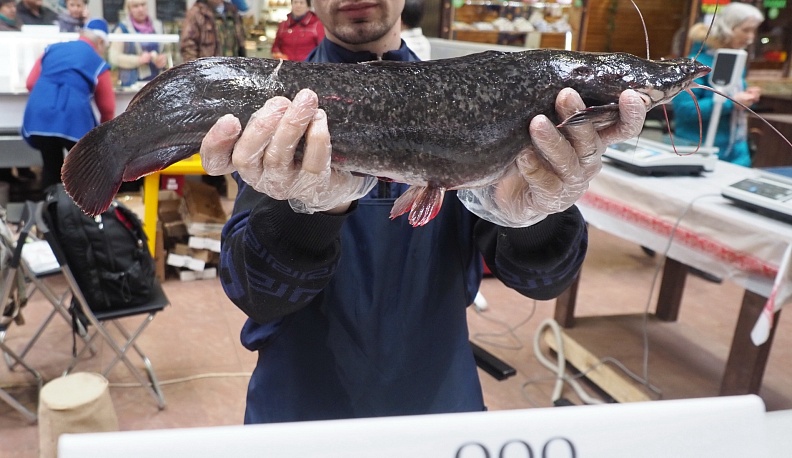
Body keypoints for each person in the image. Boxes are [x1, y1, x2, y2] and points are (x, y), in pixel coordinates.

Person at [199, 0, 646, 424]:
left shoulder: (481, 92)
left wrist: (537, 212)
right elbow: (257, 296)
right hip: (303, 405)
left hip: (439, 401)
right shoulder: (281, 109)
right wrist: (308, 212)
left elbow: (544, 281)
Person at [21, 18, 115, 190]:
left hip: (38, 115)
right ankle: (79, 213)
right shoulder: (97, 62)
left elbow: (30, 83)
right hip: (73, 117)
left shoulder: (52, 49)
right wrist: (103, 138)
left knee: (51, 167)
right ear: (100, 42)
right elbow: (107, 108)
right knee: (82, 170)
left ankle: (51, 211)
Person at [672, 2, 764, 167]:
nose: (751, 37)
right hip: (696, 153)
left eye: (754, 31)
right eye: (745, 30)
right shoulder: (695, 64)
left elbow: (731, 98)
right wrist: (732, 102)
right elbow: (685, 110)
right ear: (728, 28)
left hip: (735, 155)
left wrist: (746, 97)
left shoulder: (735, 61)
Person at [109, 0, 169, 88]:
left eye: (143, 4)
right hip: (132, 84)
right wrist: (138, 60)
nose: (140, 9)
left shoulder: (157, 26)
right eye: (135, 6)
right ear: (129, 9)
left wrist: (163, 59)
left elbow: (167, 51)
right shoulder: (122, 29)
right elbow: (113, 58)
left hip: (156, 82)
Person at [180, 0, 246, 62]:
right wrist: (195, 71)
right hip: (207, 70)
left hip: (232, 69)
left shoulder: (232, 11)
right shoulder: (196, 13)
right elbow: (188, 48)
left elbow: (241, 44)